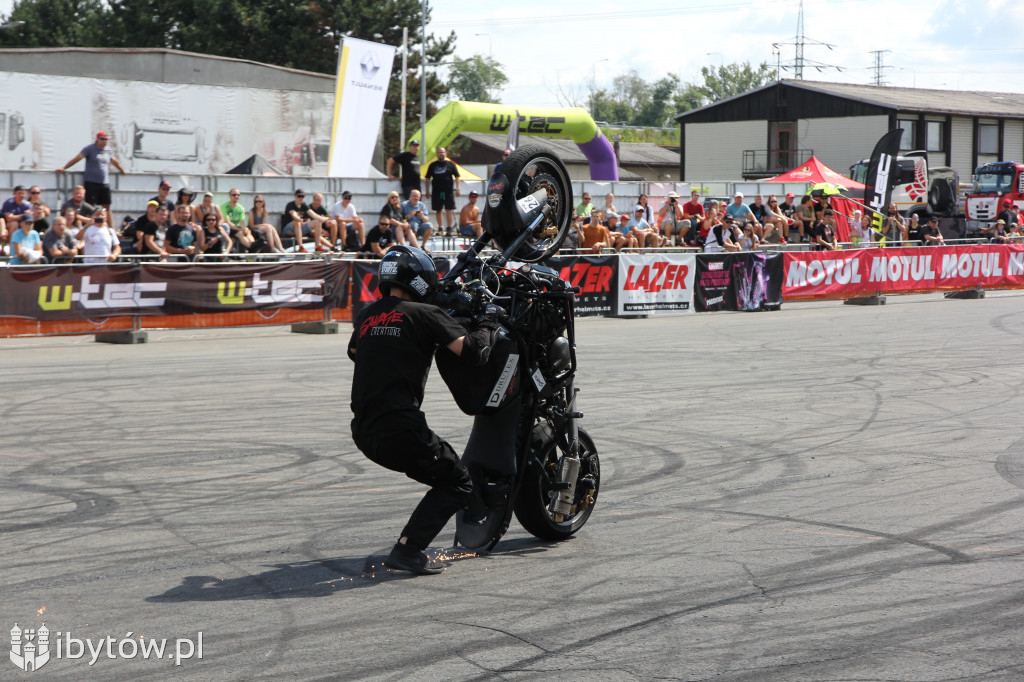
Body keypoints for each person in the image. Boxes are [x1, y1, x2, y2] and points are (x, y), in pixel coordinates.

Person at [348, 246, 495, 574]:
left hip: (364, 431)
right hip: (402, 429)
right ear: (419, 279)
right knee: (457, 482)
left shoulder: (367, 315)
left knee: (443, 470)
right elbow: (476, 352)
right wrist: (488, 318)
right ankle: (408, 550)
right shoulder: (425, 316)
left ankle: (475, 511)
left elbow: (356, 351)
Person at [55, 131, 125, 214]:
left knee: (107, 206)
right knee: (89, 206)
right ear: (97, 139)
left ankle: (110, 226)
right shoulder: (90, 148)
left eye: (106, 139)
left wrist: (122, 169)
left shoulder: (108, 150)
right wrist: (64, 167)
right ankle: (90, 224)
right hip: (91, 182)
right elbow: (77, 158)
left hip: (104, 182)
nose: (104, 141)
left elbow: (114, 161)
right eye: (102, 139)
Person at [424, 147, 460, 235]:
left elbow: (457, 176)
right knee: (438, 209)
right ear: (437, 154)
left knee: (449, 209)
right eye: (439, 152)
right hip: (437, 191)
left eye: (443, 152)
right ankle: (440, 227)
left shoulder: (451, 164)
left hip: (448, 191)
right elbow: (428, 178)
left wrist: (458, 188)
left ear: (445, 154)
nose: (441, 154)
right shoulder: (432, 165)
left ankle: (449, 228)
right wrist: (427, 190)